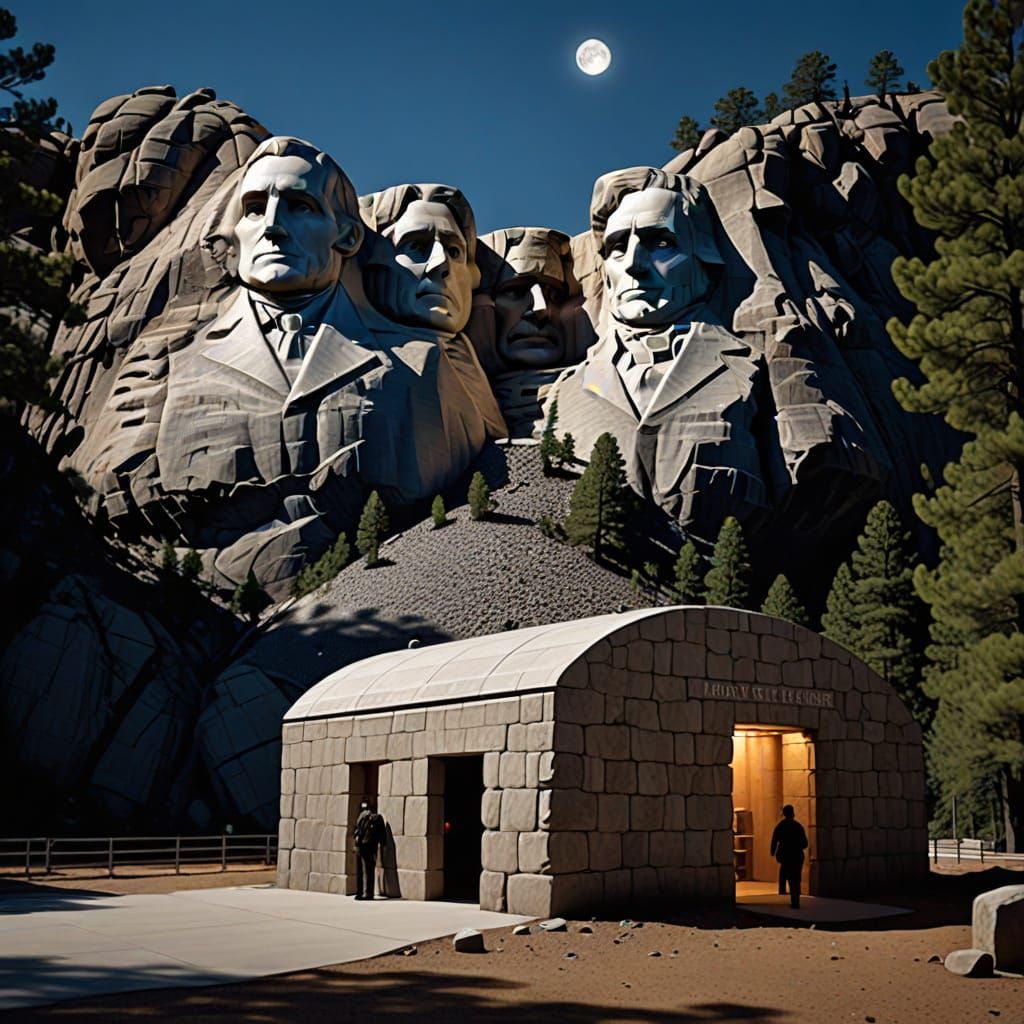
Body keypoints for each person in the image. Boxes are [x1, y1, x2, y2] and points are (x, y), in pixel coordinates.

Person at [770, 804, 808, 909]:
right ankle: (795, 899)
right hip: (797, 855)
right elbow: (805, 843)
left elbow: (774, 840)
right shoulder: (798, 826)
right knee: (795, 878)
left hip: (786, 856)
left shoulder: (780, 826)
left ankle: (786, 893)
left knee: (787, 875)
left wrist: (773, 852)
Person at [353, 799, 386, 900]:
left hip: (363, 846)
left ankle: (363, 892)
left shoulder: (363, 817)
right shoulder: (376, 818)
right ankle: (367, 893)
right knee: (368, 870)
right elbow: (382, 835)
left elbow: (357, 832)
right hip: (370, 847)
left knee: (363, 870)